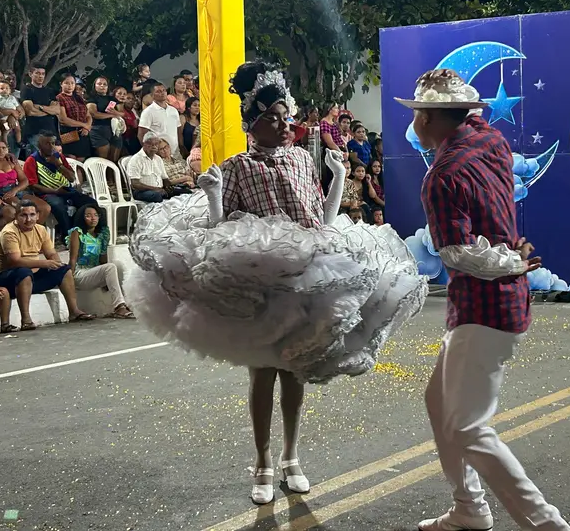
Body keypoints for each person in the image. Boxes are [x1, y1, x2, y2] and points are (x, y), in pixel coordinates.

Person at [125, 61, 427, 505]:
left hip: (309, 272)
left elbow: (320, 221)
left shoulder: (303, 158)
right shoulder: (239, 168)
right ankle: (263, 462)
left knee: (296, 368)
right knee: (263, 371)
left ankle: (292, 457)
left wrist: (339, 178)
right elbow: (221, 228)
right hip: (260, 275)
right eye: (272, 117)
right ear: (252, 124)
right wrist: (212, 194)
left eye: (285, 115)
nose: (283, 123)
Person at [397, 69, 570, 531]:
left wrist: (512, 263)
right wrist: (513, 258)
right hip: (492, 300)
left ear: (432, 118)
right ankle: (469, 507)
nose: (414, 121)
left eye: (418, 113)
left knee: (469, 429)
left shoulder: (441, 176)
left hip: (484, 305)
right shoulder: (490, 139)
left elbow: (458, 254)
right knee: (438, 401)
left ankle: (547, 524)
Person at [0, 200, 95, 330]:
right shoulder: (9, 232)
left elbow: (51, 254)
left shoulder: (40, 229)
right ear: (16, 217)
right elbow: (15, 261)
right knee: (24, 272)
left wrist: (57, 265)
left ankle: (74, 311)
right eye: (23, 215)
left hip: (32, 275)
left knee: (64, 270)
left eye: (32, 215)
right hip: (8, 278)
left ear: (37, 215)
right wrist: (44, 263)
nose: (28, 219)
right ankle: (26, 319)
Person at [23, 132, 97, 243]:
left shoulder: (59, 157)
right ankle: (69, 237)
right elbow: (34, 186)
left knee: (90, 203)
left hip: (66, 190)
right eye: (47, 143)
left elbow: (72, 178)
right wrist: (55, 191)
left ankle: (83, 233)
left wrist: (58, 164)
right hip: (47, 193)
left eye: (53, 143)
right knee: (59, 205)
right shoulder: (32, 160)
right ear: (39, 145)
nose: (51, 146)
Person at [67, 205, 134, 319]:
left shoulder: (102, 234)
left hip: (94, 271)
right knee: (110, 267)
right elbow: (73, 258)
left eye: (95, 215)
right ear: (82, 218)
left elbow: (103, 258)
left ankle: (127, 304)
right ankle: (119, 307)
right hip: (80, 273)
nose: (93, 218)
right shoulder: (77, 232)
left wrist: (107, 280)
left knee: (117, 266)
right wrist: (69, 280)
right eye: (88, 216)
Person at [0, 136, 51, 228]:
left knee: (45, 208)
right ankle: (21, 236)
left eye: (3, 148)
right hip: (2, 193)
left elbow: (25, 181)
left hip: (17, 190)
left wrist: (15, 190)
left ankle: (32, 234)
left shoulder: (11, 160)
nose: (1, 151)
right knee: (23, 210)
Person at [126, 133, 186, 202]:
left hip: (159, 190)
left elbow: (165, 178)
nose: (154, 147)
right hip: (141, 192)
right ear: (144, 144)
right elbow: (135, 184)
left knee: (185, 192)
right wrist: (155, 189)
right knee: (157, 196)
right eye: (151, 144)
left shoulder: (158, 159)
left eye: (156, 144)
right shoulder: (136, 159)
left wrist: (170, 187)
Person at [20, 63, 61, 155]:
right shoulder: (27, 90)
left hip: (51, 133)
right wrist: (49, 111)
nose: (41, 76)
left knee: (52, 163)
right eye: (38, 73)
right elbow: (30, 111)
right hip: (35, 133)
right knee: (36, 164)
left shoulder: (49, 91)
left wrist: (40, 107)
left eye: (43, 74)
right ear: (31, 74)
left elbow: (57, 110)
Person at [137, 82, 181, 160]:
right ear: (152, 95)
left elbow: (178, 132)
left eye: (164, 90)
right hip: (158, 155)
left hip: (175, 153)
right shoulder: (148, 112)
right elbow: (141, 135)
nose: (162, 93)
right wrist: (150, 152)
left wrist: (181, 146)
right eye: (158, 91)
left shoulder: (173, 110)